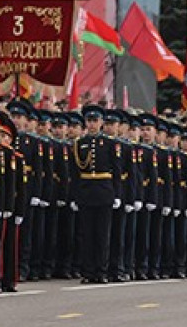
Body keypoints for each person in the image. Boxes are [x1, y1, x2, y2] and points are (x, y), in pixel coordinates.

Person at [73, 105, 117, 284]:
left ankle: (101, 271)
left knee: (102, 235)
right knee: (87, 235)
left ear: (101, 123)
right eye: (89, 121)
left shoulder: (109, 143)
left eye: (95, 121)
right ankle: (88, 271)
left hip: (104, 191)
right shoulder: (79, 144)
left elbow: (117, 170)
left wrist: (117, 195)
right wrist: (75, 196)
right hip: (86, 192)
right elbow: (75, 172)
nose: (92, 125)